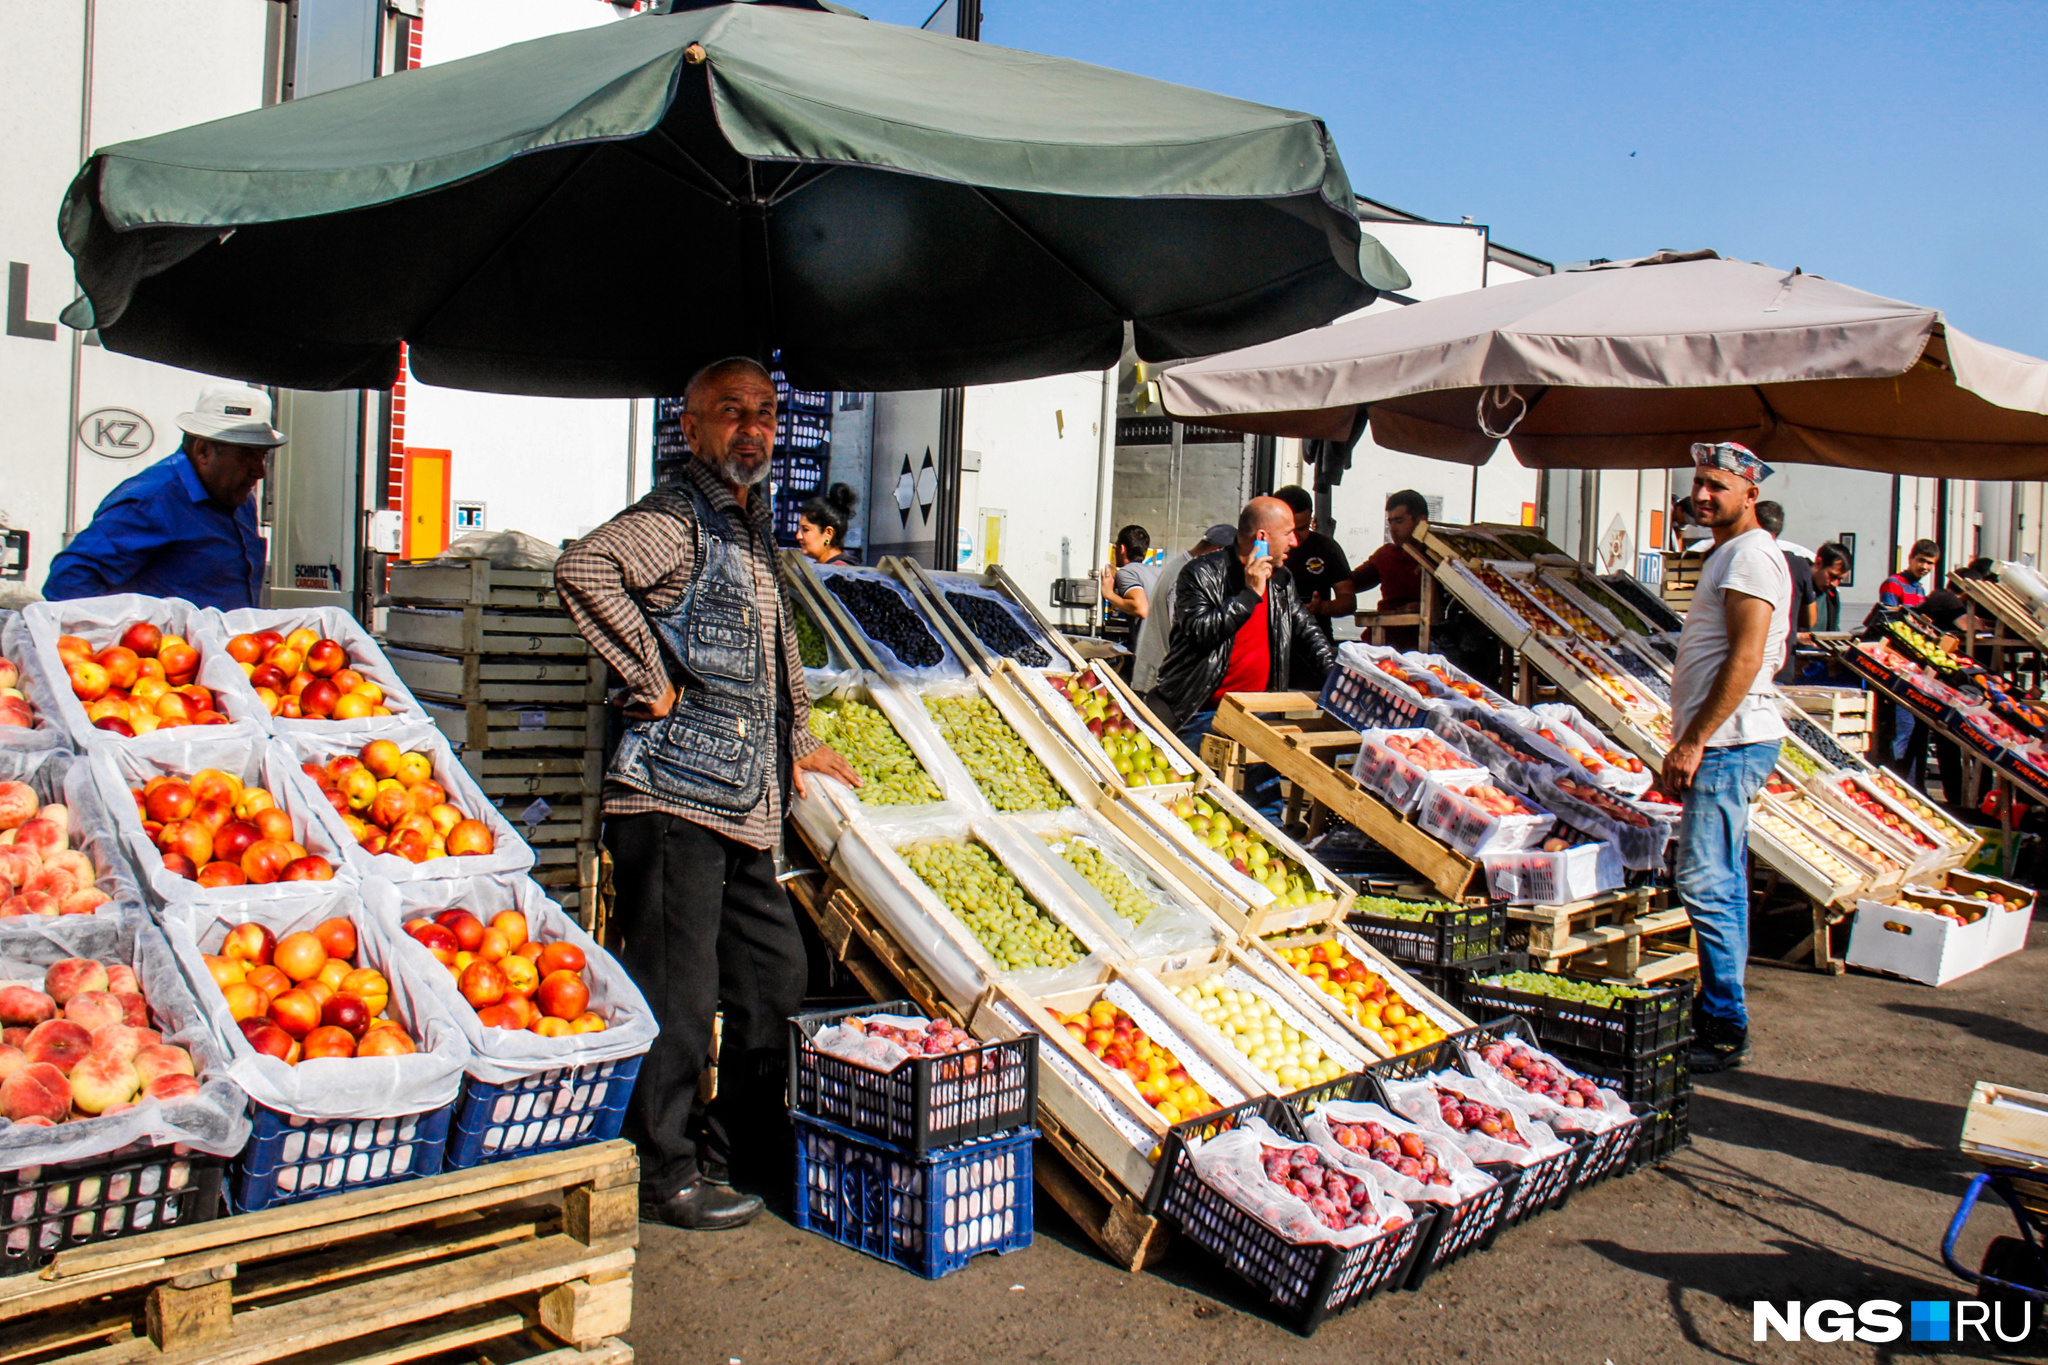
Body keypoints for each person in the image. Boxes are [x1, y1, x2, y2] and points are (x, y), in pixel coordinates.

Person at [556, 357, 861, 1232]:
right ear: (690, 428)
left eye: (765, 412)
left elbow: (777, 652)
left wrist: (800, 738)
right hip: (671, 799)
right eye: (733, 412)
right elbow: (586, 569)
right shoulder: (676, 516)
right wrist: (650, 677)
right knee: (677, 997)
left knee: (775, 976)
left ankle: (729, 1147)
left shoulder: (752, 524)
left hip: (745, 801)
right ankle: (662, 1169)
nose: (754, 427)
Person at [1662, 441, 1790, 1076]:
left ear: (1750, 495)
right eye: (1699, 484)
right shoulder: (1729, 554)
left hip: (1729, 742)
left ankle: (1722, 1024)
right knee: (1726, 881)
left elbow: (1747, 657)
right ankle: (1720, 1008)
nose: (1704, 494)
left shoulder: (1750, 556)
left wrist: (1695, 739)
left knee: (1703, 880)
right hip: (1729, 738)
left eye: (1717, 485)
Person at [43, 384, 281, 610]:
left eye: (262, 456)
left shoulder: (239, 498)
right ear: (203, 451)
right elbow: (68, 581)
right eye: (247, 456)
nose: (259, 471)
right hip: (171, 650)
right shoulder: (152, 500)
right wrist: (124, 641)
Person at [1148, 497, 1334, 754]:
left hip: (1260, 713)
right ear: (1262, 537)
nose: (1295, 541)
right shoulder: (1200, 573)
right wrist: (1249, 595)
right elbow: (1200, 633)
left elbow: (1307, 632)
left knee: (1265, 794)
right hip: (1200, 712)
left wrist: (1338, 678)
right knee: (1192, 789)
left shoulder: (1281, 578)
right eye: (1289, 532)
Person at [1319, 490, 1431, 650]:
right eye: (1390, 522)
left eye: (1399, 521)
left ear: (1421, 521)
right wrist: (1328, 549)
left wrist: (1426, 606)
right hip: (1381, 644)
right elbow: (1351, 583)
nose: (1392, 528)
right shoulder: (1386, 554)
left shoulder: (1439, 558)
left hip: (1426, 646)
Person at [1131, 525, 1234, 693]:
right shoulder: (1188, 576)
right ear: (1218, 551)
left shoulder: (1178, 565)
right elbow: (1186, 636)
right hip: (1162, 683)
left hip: (1155, 677)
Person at [1271, 486, 1349, 689]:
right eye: (1289, 530)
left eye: (1303, 528)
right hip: (1271, 649)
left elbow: (1348, 601)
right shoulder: (1261, 549)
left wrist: (1321, 608)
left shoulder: (1326, 547)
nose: (1295, 539)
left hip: (1314, 650)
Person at [1870, 539, 1940, 761]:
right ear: (1911, 558)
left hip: (1915, 666)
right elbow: (1892, 623)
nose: (1925, 567)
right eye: (1921, 561)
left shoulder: (1919, 589)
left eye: (1930, 563)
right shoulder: (1894, 584)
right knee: (1903, 728)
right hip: (1898, 662)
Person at [1755, 501, 1816, 684]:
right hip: (1780, 664)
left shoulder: (1740, 558)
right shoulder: (1797, 564)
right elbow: (1809, 619)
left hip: (1743, 667)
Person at [1099, 525, 1157, 620]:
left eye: (1116, 547)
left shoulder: (1126, 572)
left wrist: (1109, 594)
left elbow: (1140, 609)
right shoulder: (1158, 571)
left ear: (1122, 548)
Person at [795, 483, 860, 565]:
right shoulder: (820, 571)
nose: (798, 536)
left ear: (828, 533)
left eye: (806, 529)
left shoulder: (842, 574)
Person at [1810, 543, 1852, 634]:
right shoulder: (1796, 587)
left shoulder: (1832, 595)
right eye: (1832, 576)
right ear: (1818, 563)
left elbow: (1834, 629)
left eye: (1840, 579)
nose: (1835, 584)